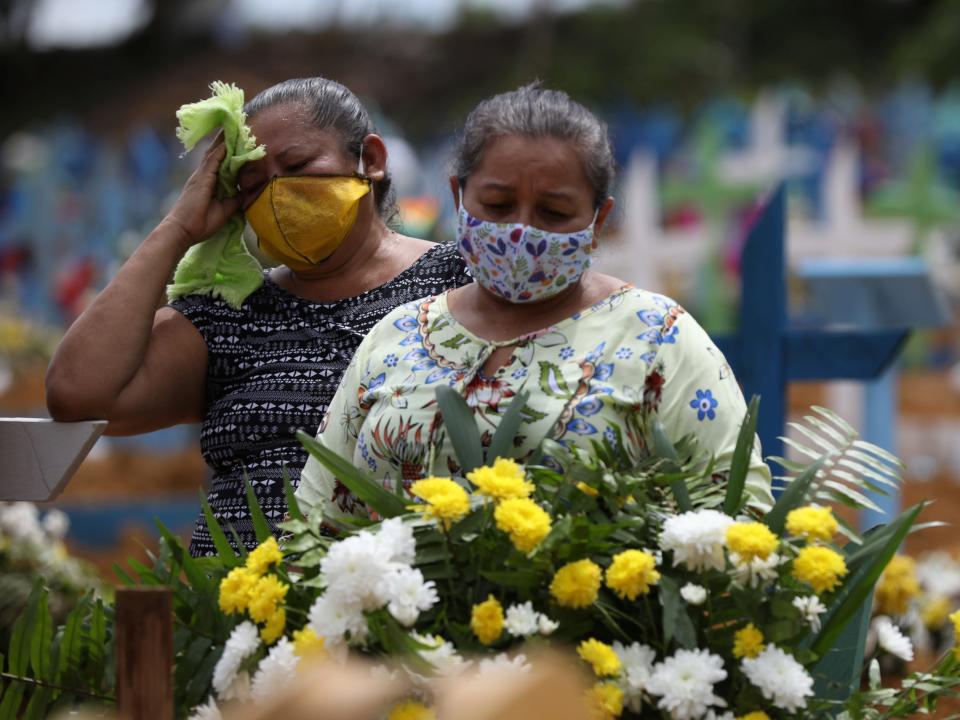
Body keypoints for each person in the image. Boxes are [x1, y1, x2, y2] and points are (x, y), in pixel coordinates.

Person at [296, 83, 772, 522]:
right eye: (498, 206)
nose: (521, 230)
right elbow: (317, 519)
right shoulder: (397, 336)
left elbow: (735, 516)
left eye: (554, 212)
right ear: (458, 197)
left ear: (598, 219)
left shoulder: (656, 336)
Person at [45, 78, 472, 555]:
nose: (276, 193)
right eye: (252, 186)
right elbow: (76, 394)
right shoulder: (229, 316)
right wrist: (178, 228)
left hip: (400, 600)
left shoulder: (459, 281)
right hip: (235, 609)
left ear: (370, 160)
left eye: (297, 166)